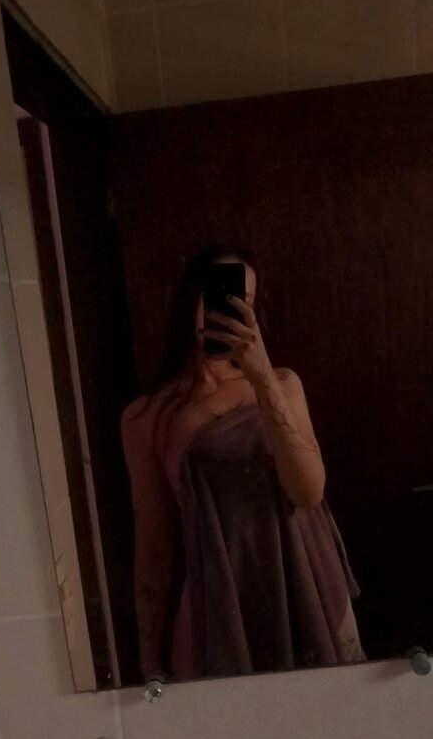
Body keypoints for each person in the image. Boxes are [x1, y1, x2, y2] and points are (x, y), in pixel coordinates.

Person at [121, 244, 365, 681]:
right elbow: (154, 544)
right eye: (215, 296)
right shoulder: (145, 418)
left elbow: (308, 491)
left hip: (302, 585)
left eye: (241, 302)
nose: (225, 311)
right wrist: (148, 653)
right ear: (188, 301)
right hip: (217, 603)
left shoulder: (284, 385)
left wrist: (261, 373)